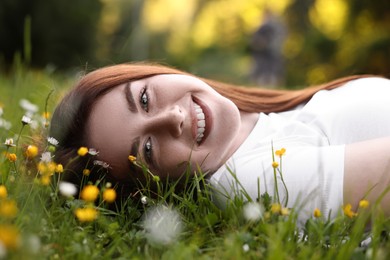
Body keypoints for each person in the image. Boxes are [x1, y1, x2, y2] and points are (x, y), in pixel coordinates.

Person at [50, 63, 390, 222]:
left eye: (143, 99)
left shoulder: (264, 118)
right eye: (147, 150)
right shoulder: (256, 182)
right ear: (154, 190)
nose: (173, 119)